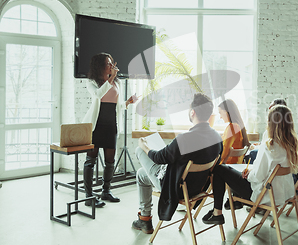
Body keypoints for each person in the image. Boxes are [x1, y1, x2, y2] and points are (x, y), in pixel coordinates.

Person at [132, 93, 223, 234]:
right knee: (141, 174)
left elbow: (158, 157)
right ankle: (144, 219)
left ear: (192, 112)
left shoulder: (184, 139)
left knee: (139, 149)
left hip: (175, 188)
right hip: (197, 189)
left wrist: (144, 146)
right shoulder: (217, 138)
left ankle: (145, 219)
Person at [201, 104, 298, 225]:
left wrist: (248, 175)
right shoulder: (292, 145)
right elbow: (269, 170)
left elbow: (257, 176)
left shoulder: (270, 146)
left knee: (219, 169)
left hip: (263, 195)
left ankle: (217, 212)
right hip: (282, 194)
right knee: (234, 172)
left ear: (271, 123)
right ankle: (234, 201)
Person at [82, 53, 138, 207]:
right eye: (108, 63)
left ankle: (106, 191)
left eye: (112, 62)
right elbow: (98, 95)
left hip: (111, 125)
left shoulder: (116, 84)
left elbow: (117, 106)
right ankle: (88, 196)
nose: (111, 65)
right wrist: (110, 78)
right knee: (90, 160)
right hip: (96, 125)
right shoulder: (92, 82)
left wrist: (127, 102)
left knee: (110, 161)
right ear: (99, 65)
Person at [245, 98, 287, 164]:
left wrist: (256, 147)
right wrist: (260, 145)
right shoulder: (288, 133)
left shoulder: (272, 132)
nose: (269, 109)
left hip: (268, 169)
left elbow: (267, 151)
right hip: (280, 171)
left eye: (272, 107)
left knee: (252, 153)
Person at [218, 99, 251, 164]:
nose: (220, 117)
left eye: (220, 113)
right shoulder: (238, 126)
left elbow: (224, 153)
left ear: (226, 112)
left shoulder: (232, 128)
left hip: (229, 166)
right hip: (237, 165)